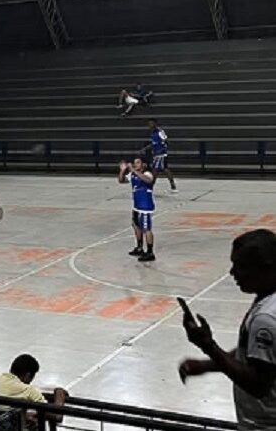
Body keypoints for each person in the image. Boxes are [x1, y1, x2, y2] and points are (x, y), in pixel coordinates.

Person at [179, 229, 276, 430]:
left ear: (265, 268)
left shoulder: (266, 318)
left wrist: (209, 346)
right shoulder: (268, 300)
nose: (232, 273)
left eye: (239, 266)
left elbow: (258, 384)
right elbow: (252, 355)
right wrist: (206, 365)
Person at [0, 354, 67, 428]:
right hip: (2, 425)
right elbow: (57, 416)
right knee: (35, 424)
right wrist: (60, 392)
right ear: (28, 375)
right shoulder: (28, 390)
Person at [118, 157, 156, 262]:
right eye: (134, 163)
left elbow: (148, 180)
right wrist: (122, 171)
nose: (135, 165)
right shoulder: (133, 175)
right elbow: (121, 180)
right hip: (137, 205)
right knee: (136, 225)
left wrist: (133, 170)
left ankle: (150, 252)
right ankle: (139, 247)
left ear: (143, 165)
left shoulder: (148, 173)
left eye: (138, 163)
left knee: (146, 228)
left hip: (145, 206)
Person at [142, 119, 178, 193]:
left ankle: (150, 186)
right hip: (156, 154)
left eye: (151, 123)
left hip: (161, 154)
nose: (150, 125)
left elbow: (166, 141)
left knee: (155, 170)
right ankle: (173, 186)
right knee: (165, 169)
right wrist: (145, 149)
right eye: (149, 124)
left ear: (155, 124)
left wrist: (163, 149)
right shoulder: (152, 133)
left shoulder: (160, 131)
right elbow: (154, 143)